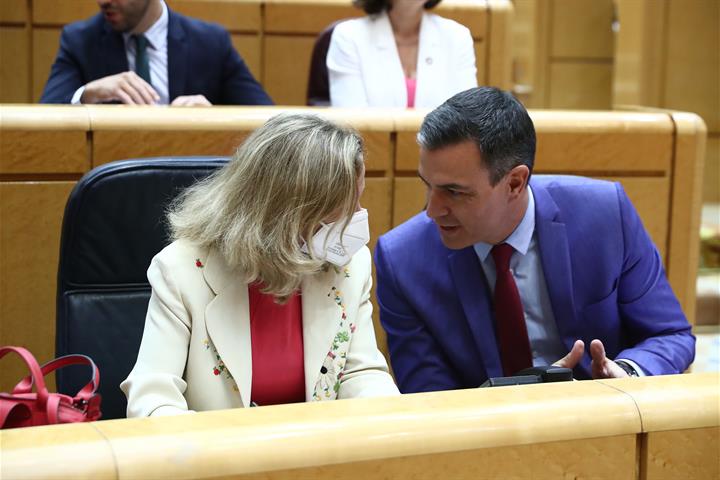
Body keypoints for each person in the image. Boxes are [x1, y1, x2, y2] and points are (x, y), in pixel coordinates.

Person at [374, 87, 695, 393]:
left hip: (606, 421)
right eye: (428, 185)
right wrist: (526, 397)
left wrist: (625, 373)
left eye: (454, 192)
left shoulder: (605, 215)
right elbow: (430, 398)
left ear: (515, 183)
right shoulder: (401, 259)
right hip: (486, 436)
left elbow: (670, 334)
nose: (432, 210)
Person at [121, 113, 398, 416]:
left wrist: (389, 423)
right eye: (346, 206)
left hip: (317, 453)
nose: (357, 217)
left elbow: (361, 373)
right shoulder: (181, 270)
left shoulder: (348, 263)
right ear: (291, 213)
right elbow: (153, 400)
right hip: (219, 455)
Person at [40, 0, 272, 106]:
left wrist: (210, 119)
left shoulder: (211, 42)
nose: (103, 2)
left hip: (193, 185)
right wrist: (87, 94)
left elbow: (265, 117)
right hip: (114, 184)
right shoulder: (80, 40)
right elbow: (46, 116)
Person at [326, 0, 476, 108]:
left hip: (443, 151)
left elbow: (465, 118)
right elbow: (351, 125)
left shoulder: (456, 36)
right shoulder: (349, 36)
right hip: (370, 150)